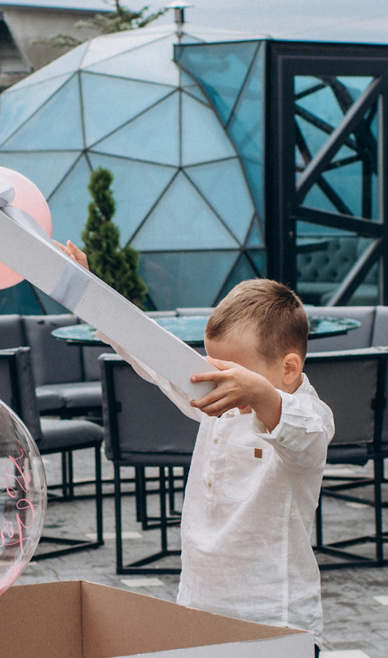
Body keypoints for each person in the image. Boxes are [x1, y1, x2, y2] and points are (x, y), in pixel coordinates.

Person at [63, 262, 333, 638]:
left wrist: (256, 391)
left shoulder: (309, 417)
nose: (219, 383)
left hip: (274, 619)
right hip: (196, 607)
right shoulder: (218, 404)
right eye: (214, 369)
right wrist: (87, 289)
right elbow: (152, 356)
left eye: (235, 375)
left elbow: (304, 434)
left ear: (288, 369)